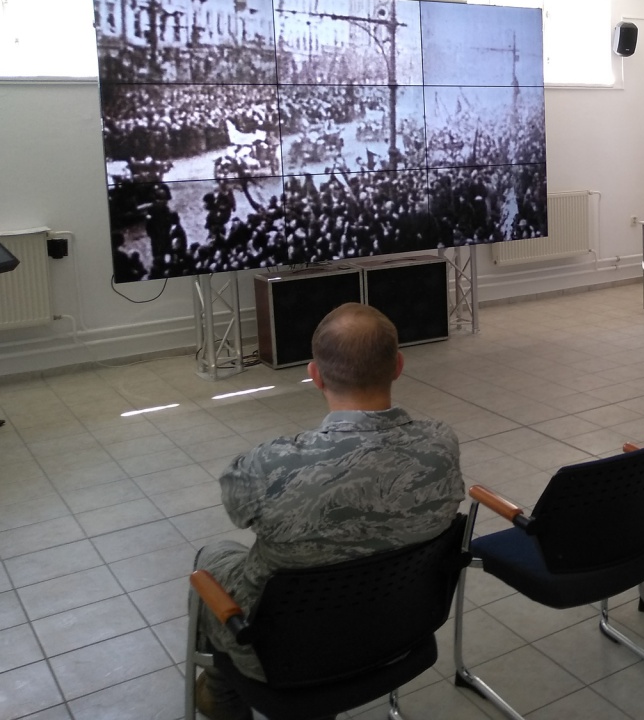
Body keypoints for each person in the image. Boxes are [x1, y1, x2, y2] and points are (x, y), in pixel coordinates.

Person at [193, 303, 464, 720]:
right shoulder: (441, 445)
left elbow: (237, 510)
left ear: (315, 375)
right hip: (399, 630)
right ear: (398, 366)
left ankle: (221, 693)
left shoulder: (270, 465)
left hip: (282, 653)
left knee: (211, 557)